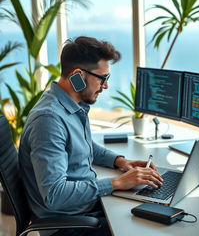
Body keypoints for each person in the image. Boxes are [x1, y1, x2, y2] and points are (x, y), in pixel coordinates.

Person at [19, 36, 163, 236]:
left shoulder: (71, 105)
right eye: (102, 78)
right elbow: (55, 194)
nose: (105, 86)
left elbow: (84, 146)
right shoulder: (49, 120)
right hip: (69, 225)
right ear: (78, 75)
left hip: (84, 209)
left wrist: (120, 162)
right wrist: (117, 183)